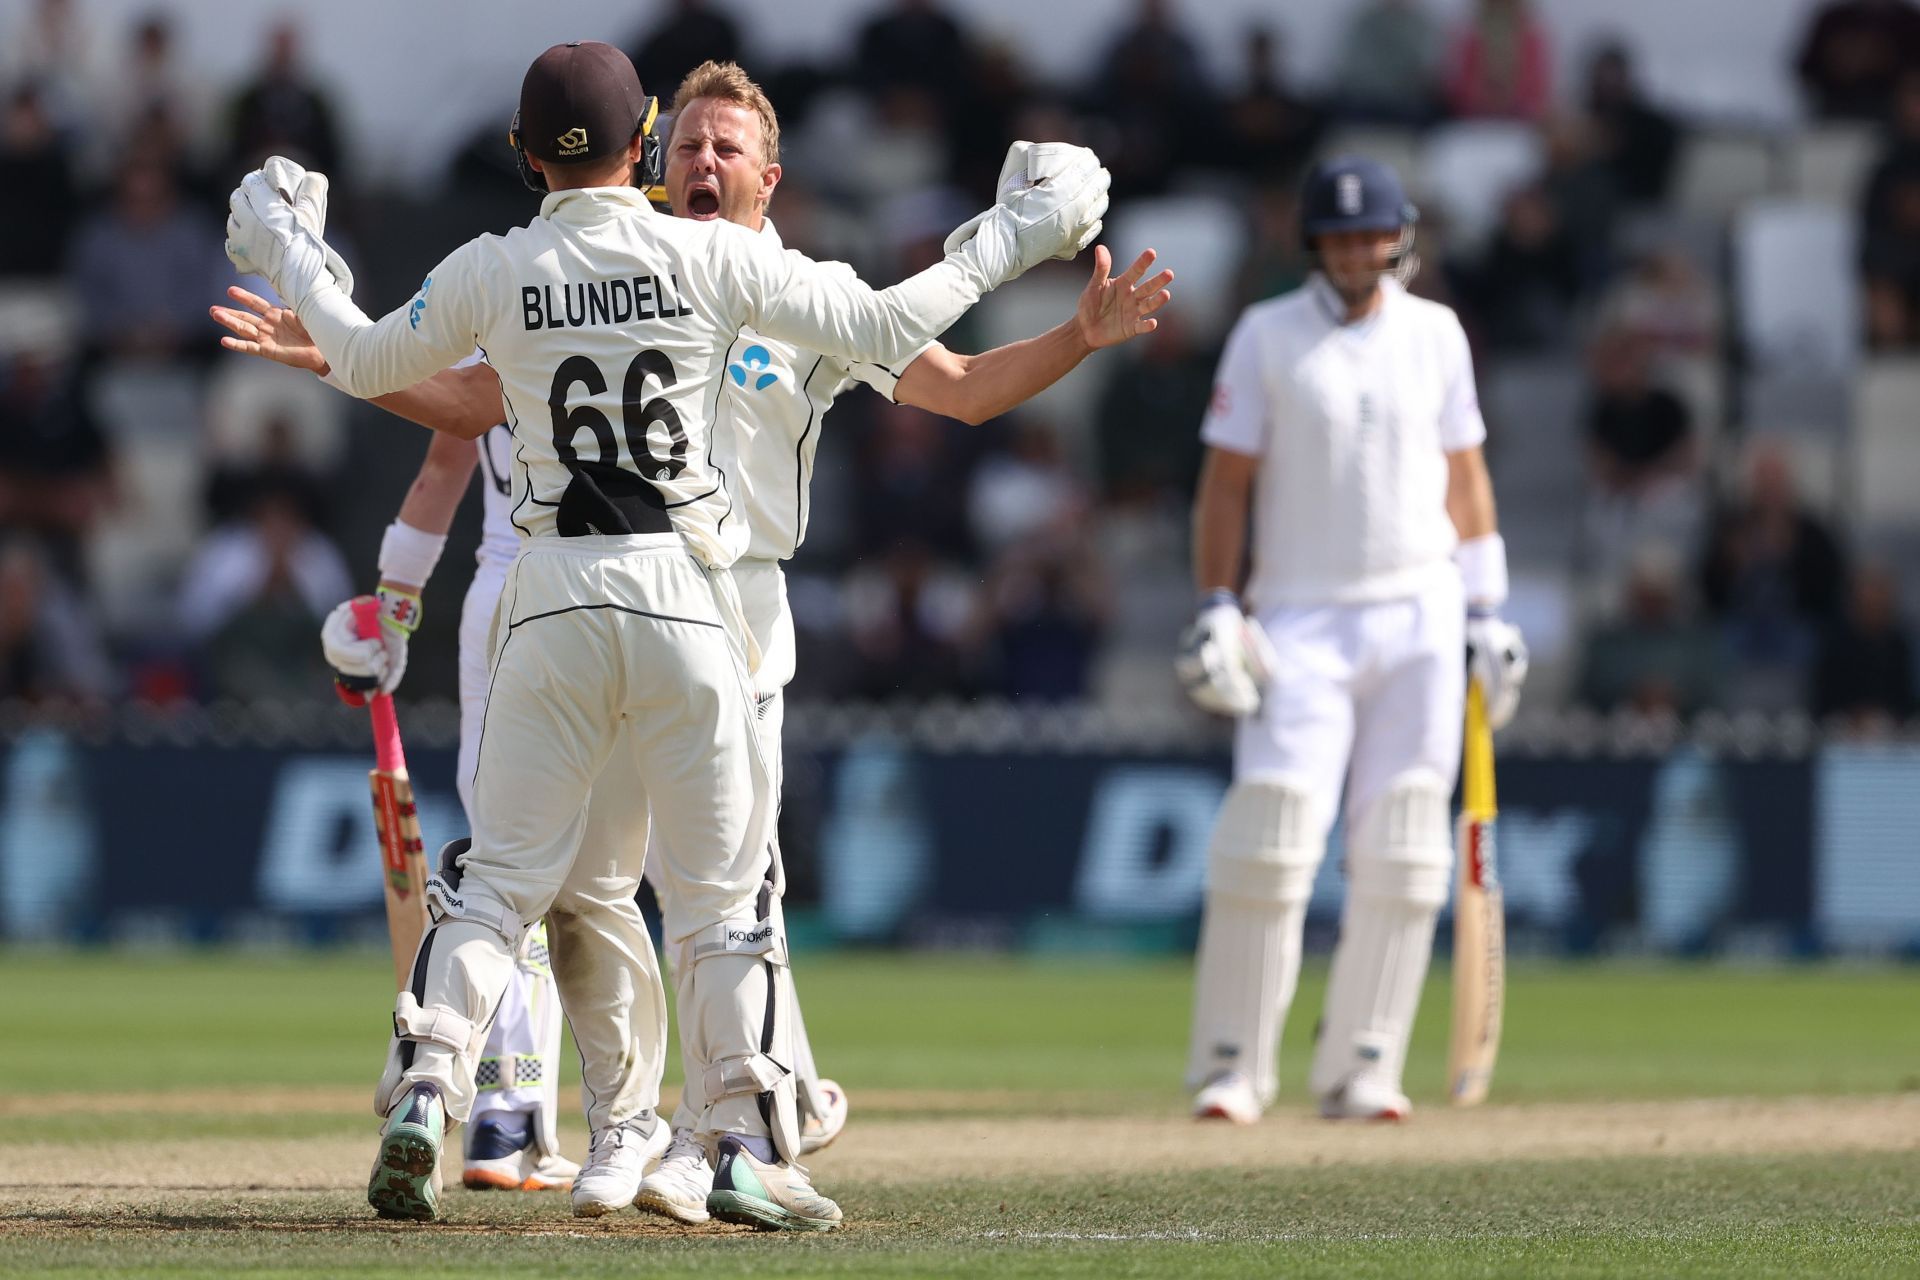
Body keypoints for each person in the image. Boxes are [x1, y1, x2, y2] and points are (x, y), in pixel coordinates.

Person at [215, 55, 1167, 1223]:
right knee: (662, 899)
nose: (704, 163)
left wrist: (309, 277)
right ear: (650, 149)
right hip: (680, 596)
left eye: (730, 148)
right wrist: (1014, 235)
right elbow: (888, 317)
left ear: (770, 174)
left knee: (522, 880)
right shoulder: (712, 263)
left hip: (617, 597)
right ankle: (670, 1130)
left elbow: (957, 384)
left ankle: (473, 1085)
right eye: (688, 144)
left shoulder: (534, 265)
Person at [1174, 156, 1527, 1125]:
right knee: (1273, 830)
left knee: (1408, 842)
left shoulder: (1438, 335)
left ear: (1400, 236)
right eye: (1338, 238)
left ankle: (1362, 1062)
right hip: (1297, 614)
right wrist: (1217, 600)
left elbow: (1466, 475)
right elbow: (1227, 485)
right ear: (1313, 246)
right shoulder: (1266, 334)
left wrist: (1488, 609)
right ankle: (1232, 1063)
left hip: (1421, 612)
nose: (1356, 253)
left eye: (1370, 235)